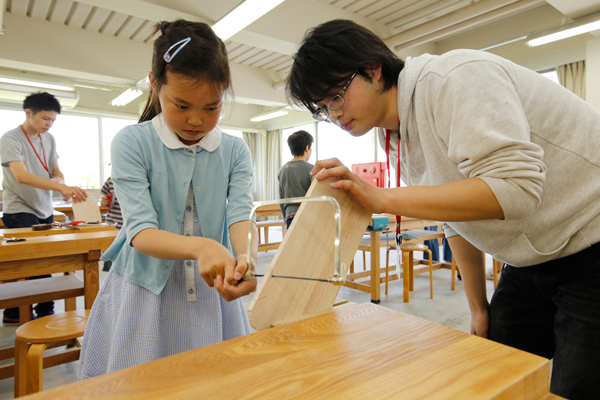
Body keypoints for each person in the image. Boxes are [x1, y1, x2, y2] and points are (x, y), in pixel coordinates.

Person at [286, 19, 600, 400]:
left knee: (575, 388)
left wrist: (383, 197)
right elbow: (457, 216)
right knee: (501, 375)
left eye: (336, 96)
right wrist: (477, 306)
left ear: (373, 69)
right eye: (323, 108)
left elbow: (516, 191)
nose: (333, 115)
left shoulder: (455, 79)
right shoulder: (396, 135)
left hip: (590, 240)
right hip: (527, 260)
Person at [78, 20, 258, 379]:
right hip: (144, 293)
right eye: (182, 104)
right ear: (154, 83)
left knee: (213, 381)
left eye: (212, 107)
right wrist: (202, 247)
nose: (196, 119)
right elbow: (141, 233)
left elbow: (240, 216)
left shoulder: (235, 150)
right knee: (142, 382)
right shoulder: (132, 142)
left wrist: (245, 259)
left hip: (211, 289)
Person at [0, 92, 88, 324]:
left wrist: (59, 181)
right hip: (19, 208)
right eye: (45, 119)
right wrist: (61, 188)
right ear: (28, 113)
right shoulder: (11, 139)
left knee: (44, 258)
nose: (49, 124)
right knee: (36, 261)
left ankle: (16, 312)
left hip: (44, 208)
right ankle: (41, 310)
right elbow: (21, 176)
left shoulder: (48, 139)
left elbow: (56, 171)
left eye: (53, 120)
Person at [278, 130, 314, 229]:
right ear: (307, 148)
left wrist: (285, 217)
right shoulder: (313, 169)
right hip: (307, 215)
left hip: (289, 215)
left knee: (294, 244)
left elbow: (281, 198)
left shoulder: (282, 170)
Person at [99, 176, 123, 271]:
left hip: (127, 224)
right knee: (111, 251)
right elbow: (103, 200)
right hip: (113, 223)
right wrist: (103, 202)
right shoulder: (111, 180)